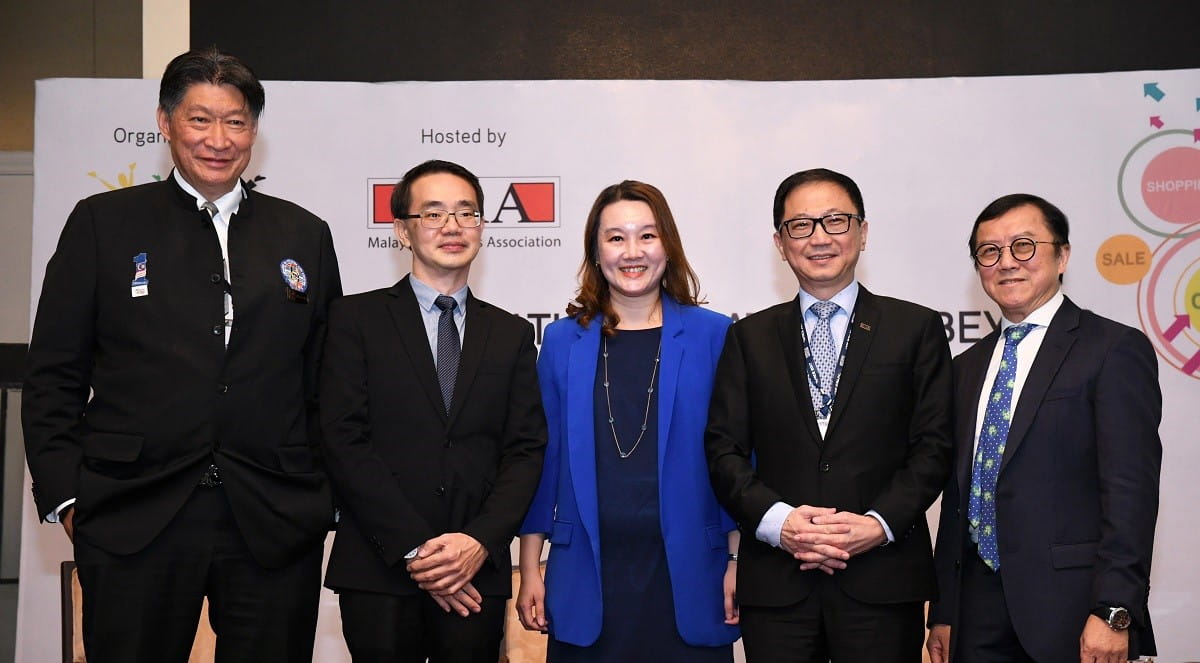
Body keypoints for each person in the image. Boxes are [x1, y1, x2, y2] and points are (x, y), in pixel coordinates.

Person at [22, 48, 342, 661]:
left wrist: (319, 498)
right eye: (200, 120)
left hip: (272, 521)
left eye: (237, 121)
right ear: (165, 122)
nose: (219, 139)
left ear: (255, 130)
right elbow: (53, 377)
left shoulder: (304, 234)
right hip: (133, 516)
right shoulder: (102, 224)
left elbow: (325, 380)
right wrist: (68, 499)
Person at [704, 168, 953, 662]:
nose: (819, 237)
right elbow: (723, 449)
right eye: (801, 225)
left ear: (863, 231)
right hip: (778, 584)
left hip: (882, 580)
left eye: (835, 221)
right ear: (780, 242)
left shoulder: (914, 329)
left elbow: (935, 446)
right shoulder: (749, 338)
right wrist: (782, 523)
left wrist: (878, 524)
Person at [319, 159, 547, 662]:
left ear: (482, 227)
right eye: (434, 213)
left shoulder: (509, 335)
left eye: (467, 213)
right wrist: (419, 551)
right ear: (402, 229)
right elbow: (343, 439)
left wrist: (477, 543)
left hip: (475, 570)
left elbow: (525, 451)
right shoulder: (355, 320)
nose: (452, 226)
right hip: (379, 567)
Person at [926, 194, 1161, 663]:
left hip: (1074, 611)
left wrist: (1115, 610)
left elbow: (1130, 493)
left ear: (1063, 256)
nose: (1006, 263)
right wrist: (945, 611)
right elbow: (959, 497)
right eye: (989, 252)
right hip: (977, 613)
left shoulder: (1113, 349)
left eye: (1024, 246)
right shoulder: (965, 367)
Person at [516, 180, 740, 660]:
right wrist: (531, 567)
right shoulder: (560, 342)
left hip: (689, 577)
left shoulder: (714, 335)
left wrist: (738, 559)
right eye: (616, 237)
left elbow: (736, 459)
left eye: (647, 235)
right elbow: (544, 460)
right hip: (586, 579)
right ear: (596, 252)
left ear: (668, 247)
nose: (632, 252)